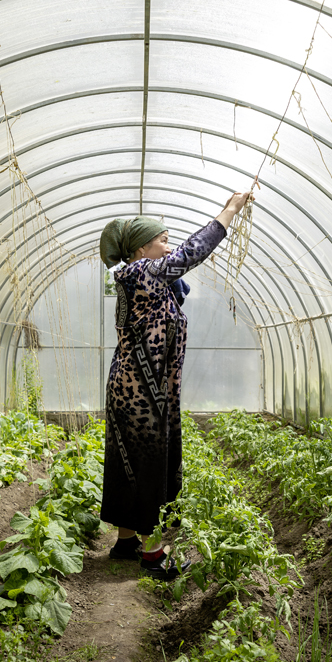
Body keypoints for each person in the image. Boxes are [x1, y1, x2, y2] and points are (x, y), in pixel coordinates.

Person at [98, 191, 253, 579]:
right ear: (139, 249)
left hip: (138, 386)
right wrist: (230, 211)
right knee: (151, 465)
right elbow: (191, 253)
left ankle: (126, 541)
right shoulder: (142, 272)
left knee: (130, 463)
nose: (169, 247)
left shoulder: (148, 280)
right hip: (141, 391)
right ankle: (152, 557)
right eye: (162, 240)